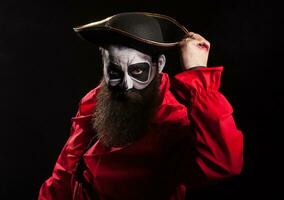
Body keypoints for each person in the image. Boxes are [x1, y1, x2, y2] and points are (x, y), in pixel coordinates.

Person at [38, 12, 244, 200]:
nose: (126, 84)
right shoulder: (96, 100)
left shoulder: (172, 118)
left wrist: (197, 72)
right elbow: (65, 171)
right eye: (115, 72)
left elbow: (223, 162)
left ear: (159, 65)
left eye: (137, 71)